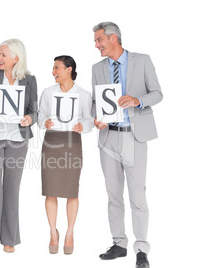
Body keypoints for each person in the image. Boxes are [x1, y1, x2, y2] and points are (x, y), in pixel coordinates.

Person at [92, 22, 163, 268]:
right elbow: (95, 102)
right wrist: (96, 119)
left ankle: (141, 249)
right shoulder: (97, 68)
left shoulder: (142, 61)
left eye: (99, 40)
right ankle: (119, 243)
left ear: (113, 38)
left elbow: (157, 93)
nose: (96, 44)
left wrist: (137, 100)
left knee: (137, 196)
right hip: (108, 137)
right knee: (113, 196)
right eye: (95, 40)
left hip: (134, 135)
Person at [0, 38, 37, 253]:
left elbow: (34, 110)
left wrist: (30, 118)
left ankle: (9, 238)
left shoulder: (29, 80)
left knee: (12, 188)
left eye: (3, 55)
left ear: (16, 58)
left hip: (17, 139)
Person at [38, 55, 93, 254]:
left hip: (72, 143)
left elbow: (89, 120)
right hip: (51, 142)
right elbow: (40, 115)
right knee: (50, 189)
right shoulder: (47, 92)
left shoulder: (84, 95)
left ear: (69, 69)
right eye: (53, 68)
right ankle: (53, 232)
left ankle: (69, 233)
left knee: (71, 191)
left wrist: (82, 126)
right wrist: (44, 122)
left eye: (57, 68)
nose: (53, 72)